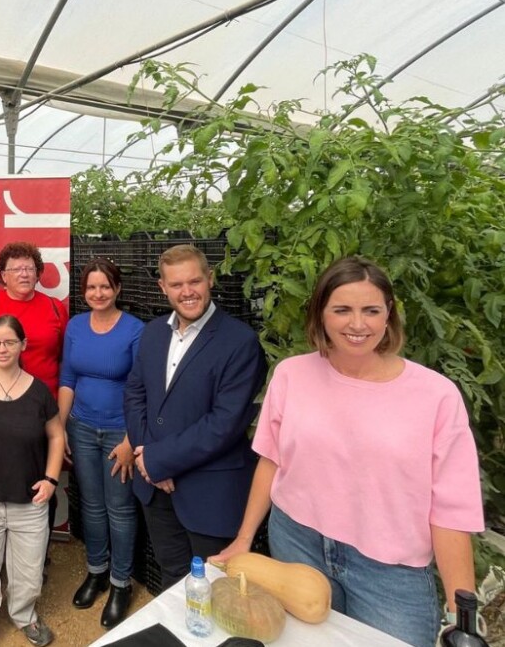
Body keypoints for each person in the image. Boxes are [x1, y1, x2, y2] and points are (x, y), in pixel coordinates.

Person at [212, 256, 484, 647]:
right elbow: (271, 460)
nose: (358, 324)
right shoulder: (292, 374)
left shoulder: (436, 396)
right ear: (321, 314)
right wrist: (243, 538)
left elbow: (452, 510)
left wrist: (463, 620)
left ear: (388, 314)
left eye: (371, 310)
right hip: (296, 543)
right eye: (342, 310)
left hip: (389, 572)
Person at [124, 244, 266, 590]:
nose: (187, 292)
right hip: (155, 490)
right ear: (163, 287)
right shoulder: (153, 332)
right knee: (172, 577)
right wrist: (147, 459)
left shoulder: (240, 342)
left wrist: (159, 460)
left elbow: (225, 423)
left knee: (219, 587)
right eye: (176, 284)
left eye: (195, 281)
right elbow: (135, 394)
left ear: (210, 279)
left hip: (209, 493)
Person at [0, 315, 64, 647]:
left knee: (29, 572)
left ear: (23, 345)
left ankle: (24, 615)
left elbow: (56, 434)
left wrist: (50, 479)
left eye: (9, 342)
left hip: (29, 498)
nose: (1, 349)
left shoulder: (38, 391)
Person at [58, 258, 144, 628]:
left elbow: (143, 389)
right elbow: (67, 377)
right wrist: (59, 428)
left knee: (120, 508)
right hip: (80, 427)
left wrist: (131, 439)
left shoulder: (135, 330)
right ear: (84, 291)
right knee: (92, 505)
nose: (98, 293)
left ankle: (120, 582)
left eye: (105, 286)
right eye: (91, 287)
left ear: (117, 289)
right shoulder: (76, 326)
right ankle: (96, 570)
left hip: (117, 434)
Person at [0, 241, 67, 394]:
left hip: (45, 403)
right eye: (16, 269)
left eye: (30, 269)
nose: (24, 274)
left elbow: (64, 361)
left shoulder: (55, 308)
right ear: (4, 275)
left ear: (37, 274)